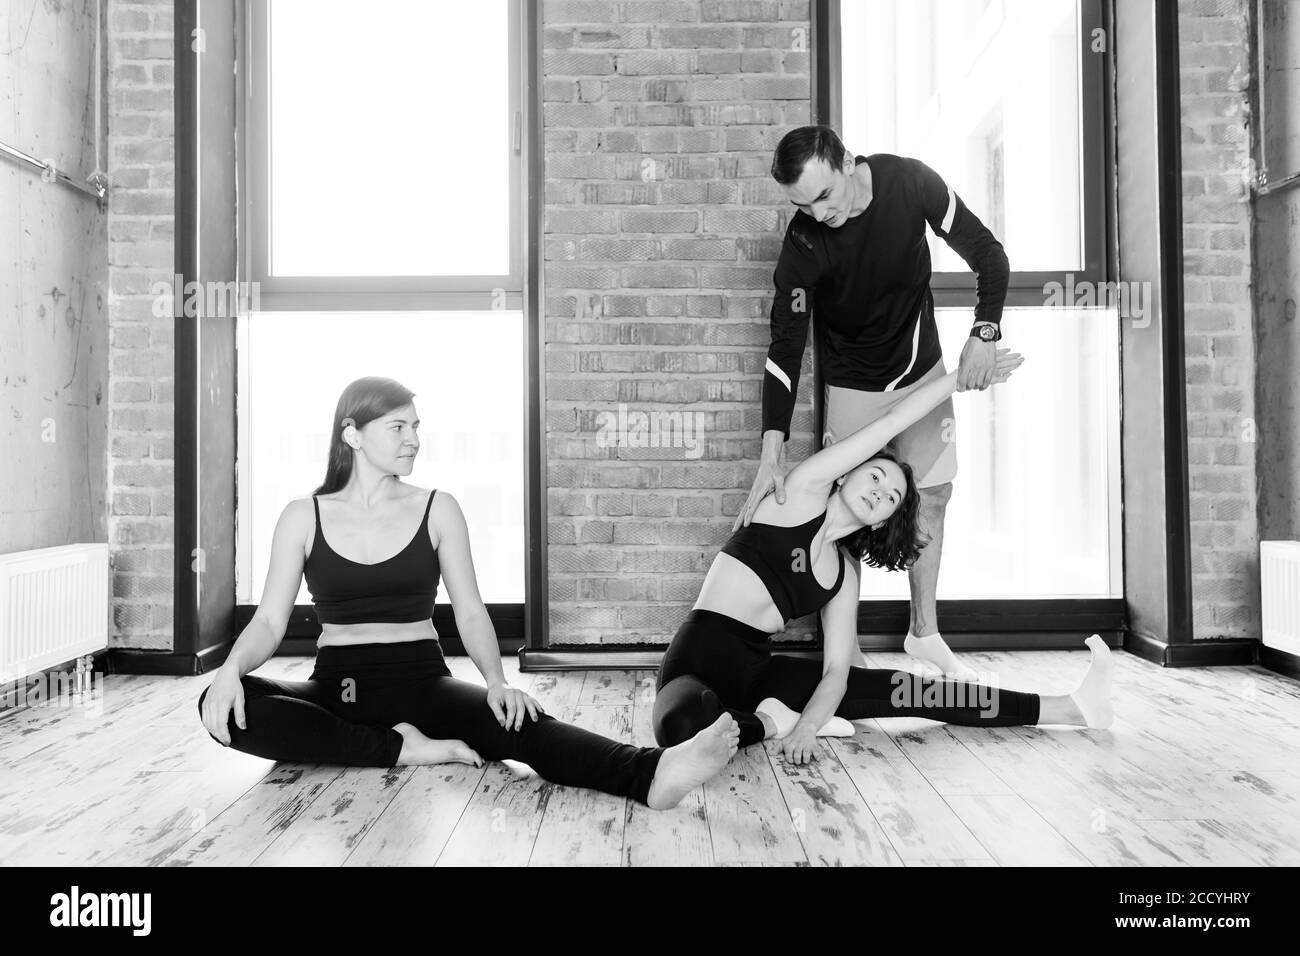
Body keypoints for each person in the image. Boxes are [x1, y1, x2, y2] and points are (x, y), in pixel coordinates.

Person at [198, 376, 738, 810]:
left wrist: (498, 681)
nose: (414, 439)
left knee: (522, 725)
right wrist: (227, 672)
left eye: (416, 426)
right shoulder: (303, 516)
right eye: (397, 427)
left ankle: (651, 774)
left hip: (421, 683)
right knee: (219, 706)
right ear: (352, 434)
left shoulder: (438, 508)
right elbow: (269, 621)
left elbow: (470, 610)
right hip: (339, 686)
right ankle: (402, 749)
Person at [655, 352, 1115, 764]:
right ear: (845, 475)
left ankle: (1070, 708)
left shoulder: (841, 577)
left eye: (892, 496)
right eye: (876, 476)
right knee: (680, 729)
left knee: (912, 691)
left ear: (882, 521)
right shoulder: (798, 494)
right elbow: (891, 424)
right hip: (696, 662)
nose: (880, 491)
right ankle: (772, 722)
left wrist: (812, 726)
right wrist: (959, 378)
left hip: (761, 675)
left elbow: (836, 671)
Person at [737, 125, 1011, 677]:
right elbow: (784, 347)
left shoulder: (911, 182)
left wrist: (984, 332)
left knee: (933, 495)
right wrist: (772, 450)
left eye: (823, 195)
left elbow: (988, 253)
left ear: (846, 162)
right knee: (845, 512)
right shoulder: (803, 244)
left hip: (922, 371)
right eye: (801, 204)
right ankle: (848, 653)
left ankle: (924, 634)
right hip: (854, 386)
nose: (817, 213)